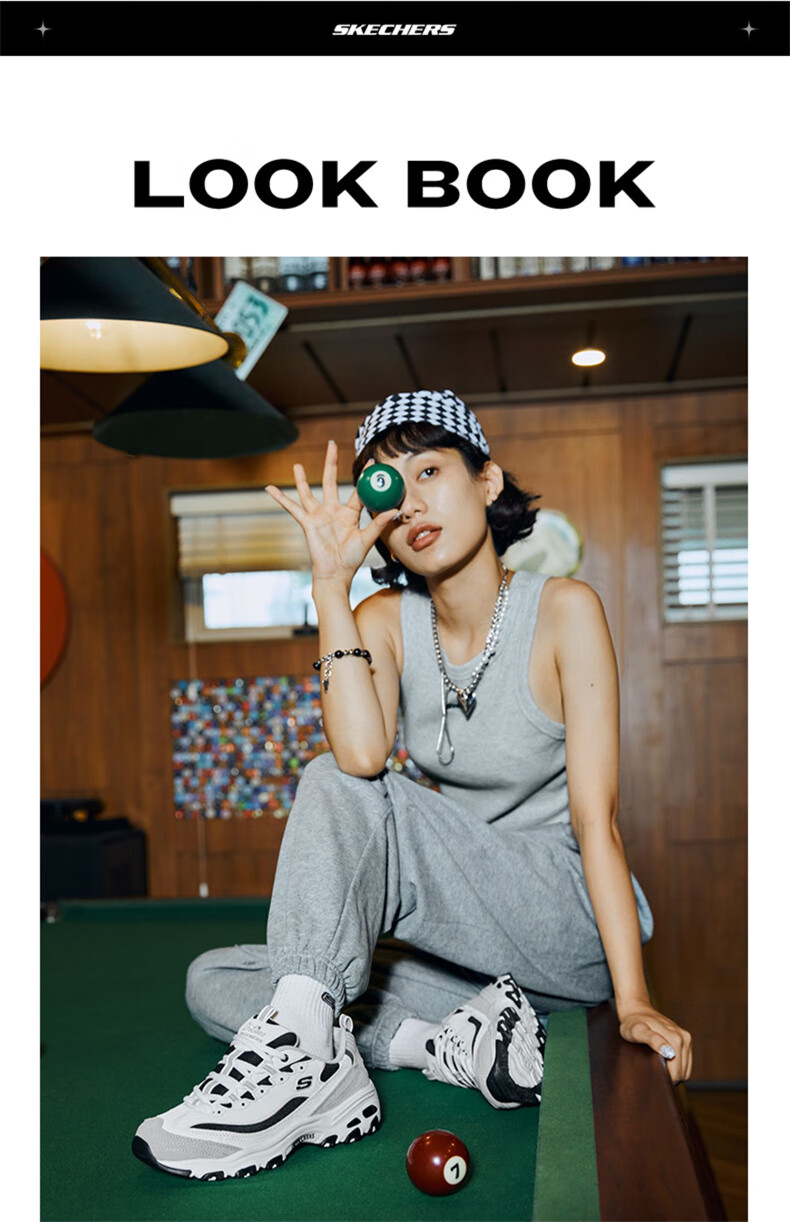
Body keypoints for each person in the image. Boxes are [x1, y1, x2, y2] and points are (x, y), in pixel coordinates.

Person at [133, 389, 692, 1181]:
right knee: (217, 980)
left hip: (564, 930)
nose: (413, 503)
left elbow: (595, 824)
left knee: (337, 786)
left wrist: (631, 1000)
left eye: (430, 471)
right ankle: (449, 1044)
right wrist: (332, 588)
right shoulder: (385, 620)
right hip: (470, 954)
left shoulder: (565, 611)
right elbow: (363, 749)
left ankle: (305, 1062)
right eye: (389, 491)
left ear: (487, 481)